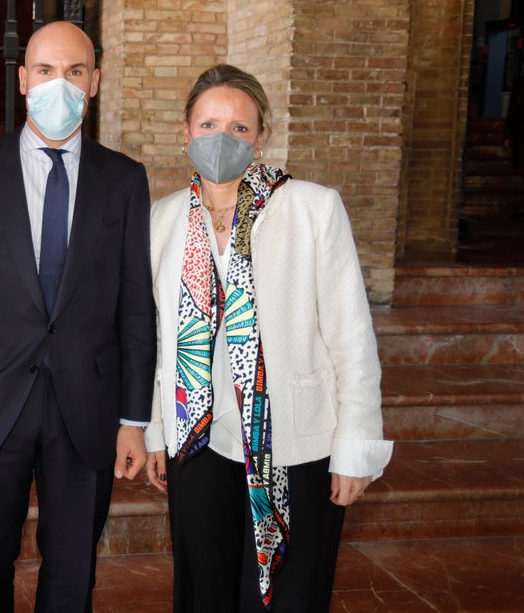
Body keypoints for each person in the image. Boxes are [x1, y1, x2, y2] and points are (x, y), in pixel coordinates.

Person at [143, 64, 394, 612]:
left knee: (290, 596)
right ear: (185, 132)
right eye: (208, 124)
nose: (221, 139)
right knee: (203, 589)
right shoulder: (161, 220)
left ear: (260, 135)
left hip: (296, 438)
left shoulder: (311, 207)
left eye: (238, 127)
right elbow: (158, 341)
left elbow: (351, 335)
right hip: (199, 438)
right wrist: (157, 431)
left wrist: (357, 444)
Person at [0, 20, 156, 612]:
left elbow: (136, 305)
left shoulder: (125, 179)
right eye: (48, 70)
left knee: (73, 570)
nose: (62, 83)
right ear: (25, 79)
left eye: (76, 72)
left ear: (95, 82)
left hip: (89, 407)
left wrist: (134, 418)